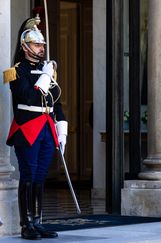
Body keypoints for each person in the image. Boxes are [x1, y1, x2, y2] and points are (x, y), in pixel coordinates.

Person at [3, 17, 67, 239]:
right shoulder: (16, 72)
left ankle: (38, 221)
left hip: (47, 128)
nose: (41, 49)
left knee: (40, 176)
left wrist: (62, 130)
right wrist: (46, 77)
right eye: (37, 45)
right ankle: (25, 224)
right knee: (28, 174)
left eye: (42, 45)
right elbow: (28, 95)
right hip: (27, 128)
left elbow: (55, 102)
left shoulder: (47, 69)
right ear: (25, 47)